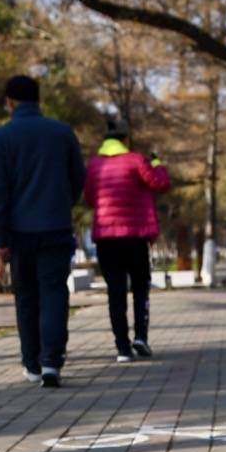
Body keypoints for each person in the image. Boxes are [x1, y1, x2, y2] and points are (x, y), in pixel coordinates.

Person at [0, 74, 86, 387]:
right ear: (38, 100)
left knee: (26, 296)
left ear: (9, 102)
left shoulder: (1, 138)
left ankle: (32, 362)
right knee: (54, 291)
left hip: (19, 231)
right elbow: (78, 177)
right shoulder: (62, 133)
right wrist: (63, 204)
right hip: (55, 225)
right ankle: (52, 361)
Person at [84, 112, 170, 360]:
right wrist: (158, 165)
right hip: (134, 237)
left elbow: (90, 198)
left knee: (116, 291)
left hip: (106, 238)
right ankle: (140, 337)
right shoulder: (136, 160)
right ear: (126, 138)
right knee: (140, 286)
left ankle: (122, 347)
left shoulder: (94, 165)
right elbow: (159, 184)